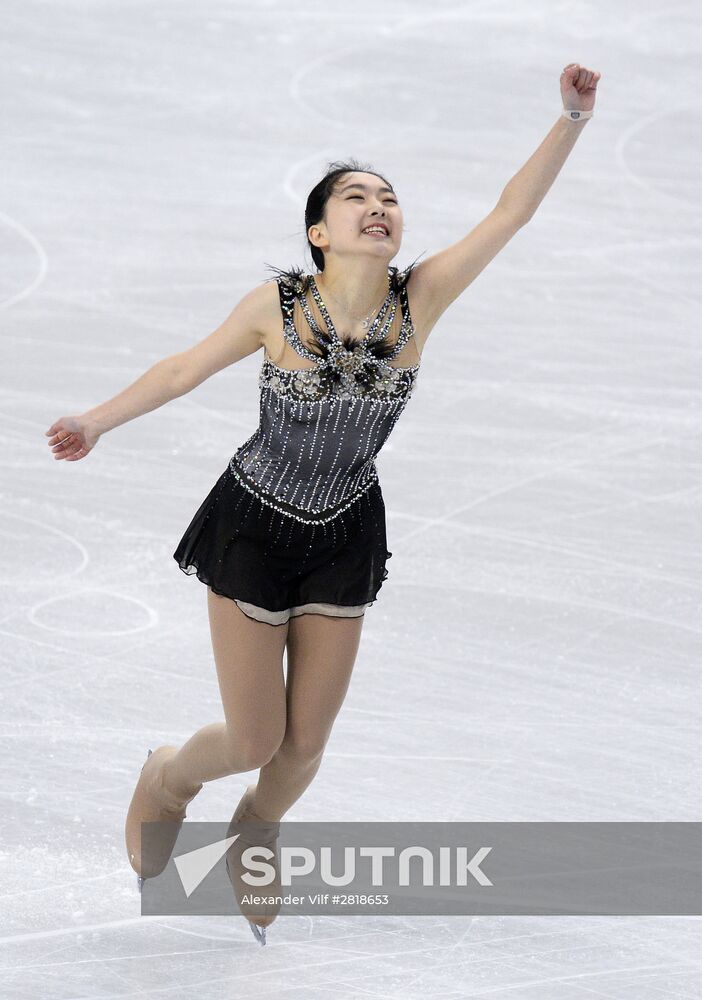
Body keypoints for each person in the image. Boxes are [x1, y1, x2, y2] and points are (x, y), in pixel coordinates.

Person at [43, 61, 599, 948]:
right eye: (355, 197)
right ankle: (169, 776)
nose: (378, 205)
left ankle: (256, 829)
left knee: (301, 750)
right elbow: (185, 367)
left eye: (388, 196)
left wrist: (569, 119)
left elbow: (510, 214)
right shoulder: (277, 307)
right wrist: (98, 420)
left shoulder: (422, 300)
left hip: (345, 529)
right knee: (254, 736)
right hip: (252, 524)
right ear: (319, 229)